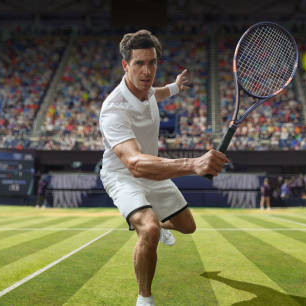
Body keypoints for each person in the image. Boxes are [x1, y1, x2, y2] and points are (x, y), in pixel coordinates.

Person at [99, 30, 228, 306]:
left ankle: (159, 221)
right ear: (125, 65)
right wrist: (194, 164)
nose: (147, 71)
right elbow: (134, 164)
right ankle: (144, 298)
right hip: (123, 175)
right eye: (139, 64)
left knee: (188, 227)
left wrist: (177, 86)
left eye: (152, 63)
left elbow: (156, 92)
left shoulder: (147, 91)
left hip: (153, 170)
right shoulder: (113, 109)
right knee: (149, 229)